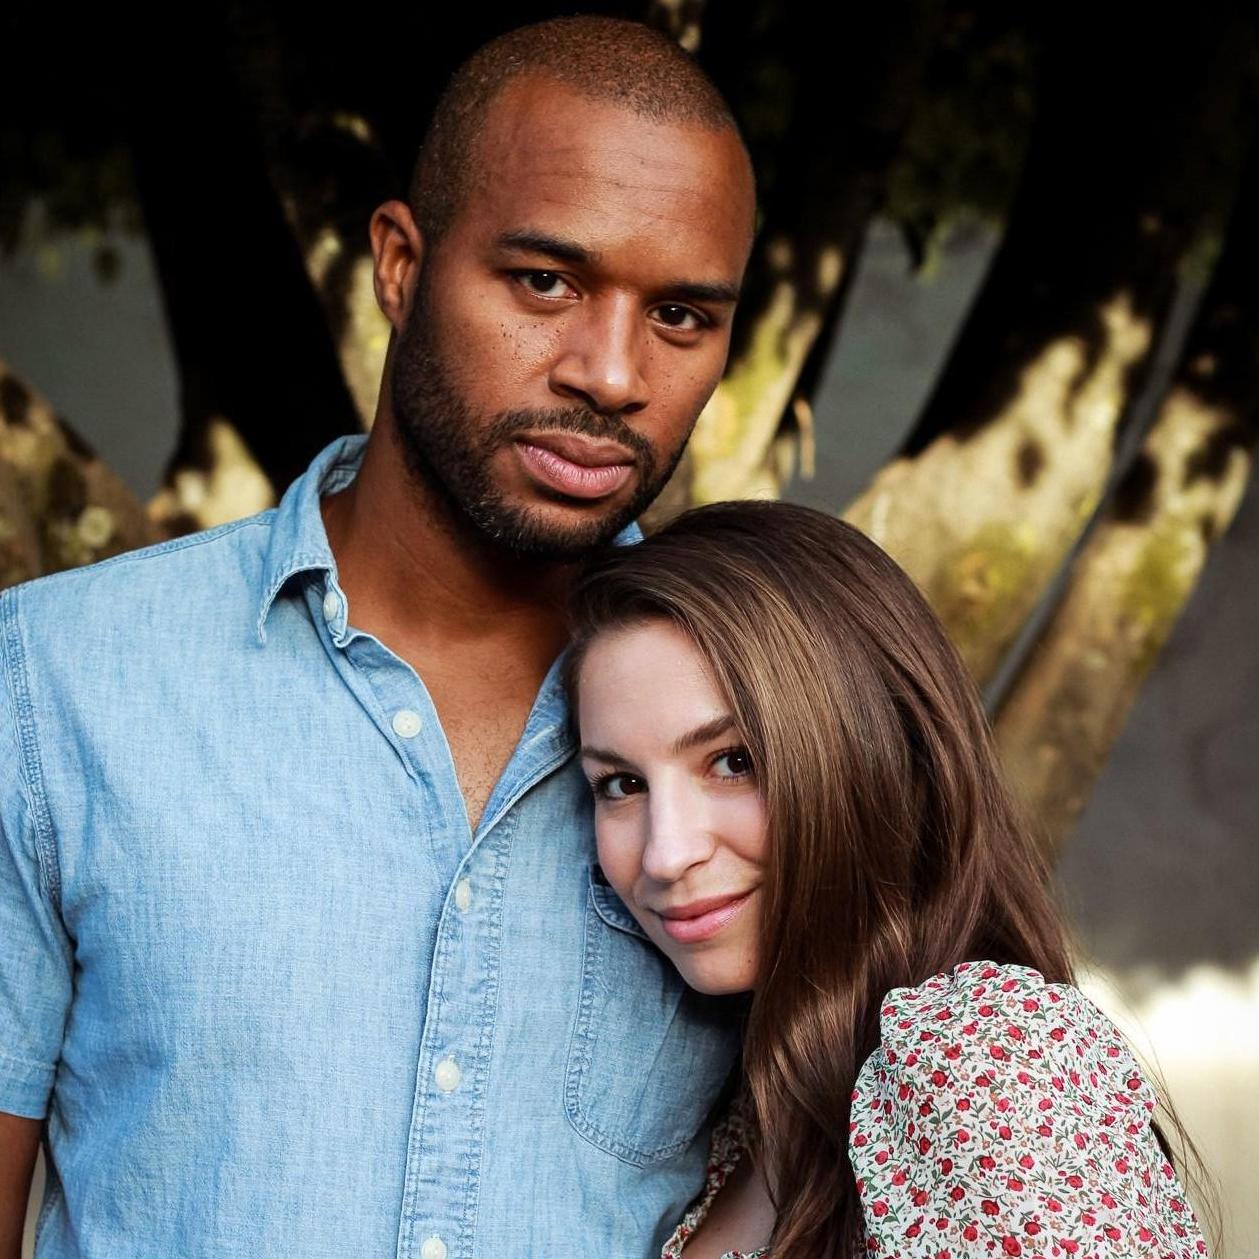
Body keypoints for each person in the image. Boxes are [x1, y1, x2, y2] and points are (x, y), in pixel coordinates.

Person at [0, 17, 757, 1259]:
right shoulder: (56, 682)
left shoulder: (766, 730)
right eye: (544, 281)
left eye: (679, 314)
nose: (611, 374)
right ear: (400, 265)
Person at [568, 500, 1211, 1259]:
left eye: (734, 761)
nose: (665, 854)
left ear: (874, 751)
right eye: (621, 784)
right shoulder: (754, 1107)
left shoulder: (987, 1056)